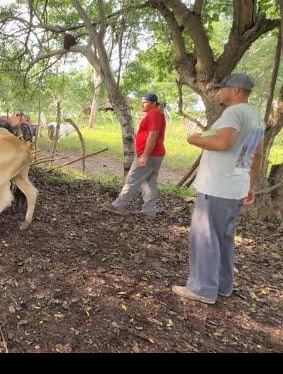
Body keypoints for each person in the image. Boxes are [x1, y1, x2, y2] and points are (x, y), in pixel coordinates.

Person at [173, 73, 264, 305]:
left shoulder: (233, 113)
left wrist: (194, 140)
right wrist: (251, 184)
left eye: (223, 88)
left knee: (205, 237)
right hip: (236, 186)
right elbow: (258, 154)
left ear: (236, 91)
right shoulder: (256, 117)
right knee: (224, 237)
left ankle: (202, 288)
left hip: (217, 186)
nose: (218, 92)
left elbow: (223, 143)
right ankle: (223, 285)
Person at [103, 93, 167, 217]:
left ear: (154, 103)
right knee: (149, 182)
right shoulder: (154, 114)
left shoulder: (154, 114)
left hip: (149, 154)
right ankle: (149, 211)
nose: (142, 104)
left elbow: (153, 135)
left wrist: (145, 155)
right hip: (155, 154)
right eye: (142, 101)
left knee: (132, 179)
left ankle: (119, 206)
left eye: (145, 102)